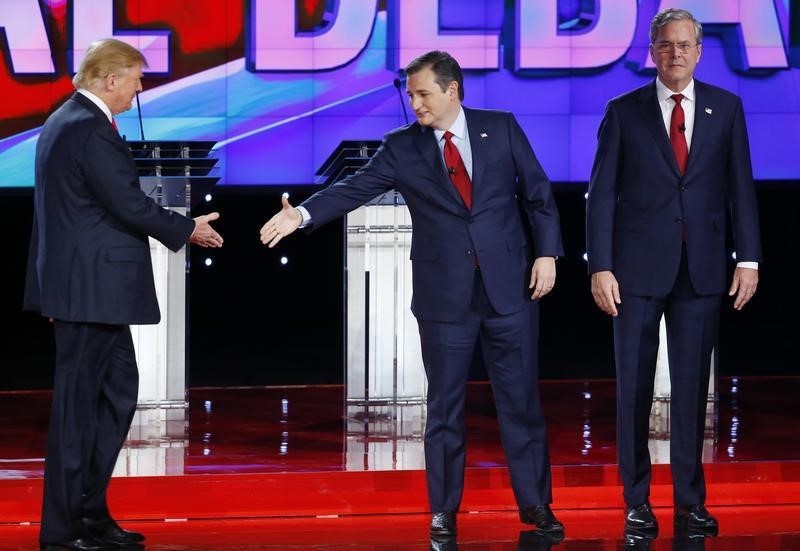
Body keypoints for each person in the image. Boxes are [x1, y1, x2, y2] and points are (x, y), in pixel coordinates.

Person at [260, 50, 564, 538]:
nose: (415, 103)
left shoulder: (501, 128)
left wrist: (547, 254)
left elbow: (538, 195)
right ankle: (443, 510)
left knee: (521, 404)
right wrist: (303, 214)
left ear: (452, 91)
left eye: (423, 94)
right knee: (444, 408)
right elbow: (353, 188)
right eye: (411, 94)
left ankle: (537, 506)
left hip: (510, 289)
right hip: (444, 297)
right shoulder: (402, 147)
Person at [23, 38, 223, 551]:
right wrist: (187, 228)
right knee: (78, 411)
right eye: (136, 79)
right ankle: (62, 532)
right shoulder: (86, 129)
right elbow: (128, 205)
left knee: (116, 396)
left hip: (91, 293)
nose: (139, 90)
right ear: (110, 79)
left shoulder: (66, 122)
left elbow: (58, 217)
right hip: (90, 293)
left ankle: (90, 513)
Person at [586, 8, 761, 538]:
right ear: (653, 51)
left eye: (685, 45)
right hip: (635, 273)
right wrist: (602, 266)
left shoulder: (726, 108)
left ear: (699, 51)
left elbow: (740, 190)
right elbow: (600, 199)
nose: (675, 53)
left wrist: (749, 259)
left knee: (690, 392)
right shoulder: (624, 112)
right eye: (665, 45)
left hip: (703, 272)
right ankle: (636, 501)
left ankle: (690, 502)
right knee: (634, 391)